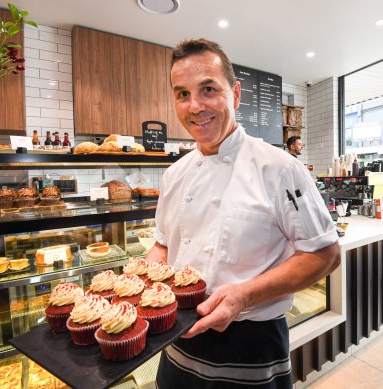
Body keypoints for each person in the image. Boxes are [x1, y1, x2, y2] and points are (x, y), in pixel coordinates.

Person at [145, 38, 341, 388]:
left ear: (235, 95)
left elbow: (325, 254)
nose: (195, 106)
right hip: (176, 341)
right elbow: (162, 245)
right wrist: (141, 286)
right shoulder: (174, 174)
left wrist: (244, 296)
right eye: (182, 94)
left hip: (252, 346)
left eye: (208, 89)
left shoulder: (280, 168)